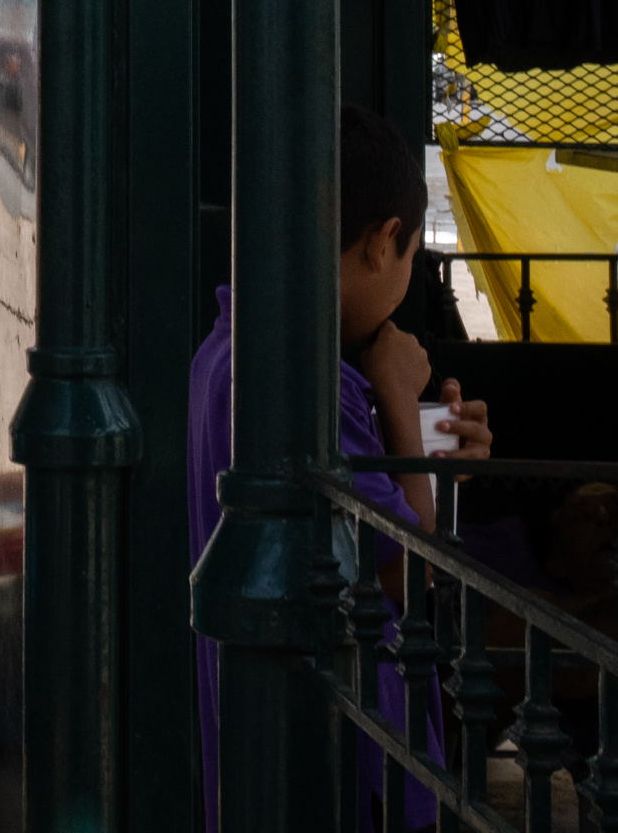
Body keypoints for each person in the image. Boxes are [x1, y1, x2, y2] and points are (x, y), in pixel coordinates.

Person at [188, 105, 494, 831]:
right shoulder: (305, 384)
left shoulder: (228, 351)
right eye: (412, 257)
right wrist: (395, 394)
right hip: (345, 754)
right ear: (383, 241)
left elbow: (373, 508)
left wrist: (428, 451)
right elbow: (404, 565)